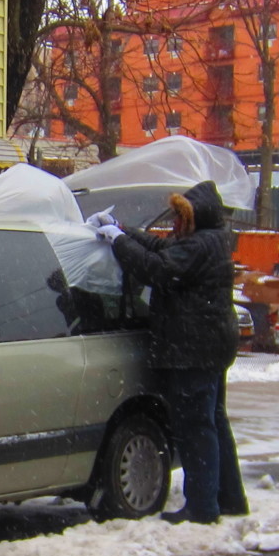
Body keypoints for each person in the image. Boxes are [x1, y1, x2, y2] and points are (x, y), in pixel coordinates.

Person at [92, 180, 249, 524]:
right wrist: (122, 230)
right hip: (209, 345)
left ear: (195, 218)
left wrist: (118, 242)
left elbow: (156, 269)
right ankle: (229, 497)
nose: (175, 225)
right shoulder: (208, 239)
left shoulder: (199, 246)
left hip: (195, 349)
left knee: (196, 426)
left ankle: (203, 506)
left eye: (180, 218)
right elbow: (162, 249)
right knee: (213, 422)